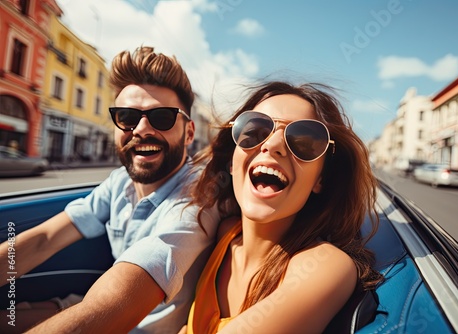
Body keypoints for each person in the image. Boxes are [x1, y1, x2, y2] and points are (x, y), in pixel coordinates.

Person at [0, 46, 219, 333]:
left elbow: (113, 305)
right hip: (83, 306)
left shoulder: (197, 197)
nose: (141, 129)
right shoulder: (120, 182)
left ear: (189, 132)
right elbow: (45, 238)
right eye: (127, 117)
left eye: (162, 117)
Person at [183, 81, 383, 333]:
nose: (273, 145)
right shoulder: (223, 232)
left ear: (320, 179)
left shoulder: (325, 267)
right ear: (232, 163)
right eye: (254, 130)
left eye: (304, 141)